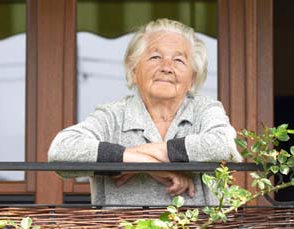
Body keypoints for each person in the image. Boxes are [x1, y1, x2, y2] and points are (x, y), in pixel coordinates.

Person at [48, 18, 242, 206]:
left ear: (192, 78)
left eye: (179, 60)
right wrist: (142, 162)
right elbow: (61, 151)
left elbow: (225, 145)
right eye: (155, 57)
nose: (166, 67)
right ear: (134, 70)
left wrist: (138, 156)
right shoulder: (113, 115)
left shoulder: (204, 109)